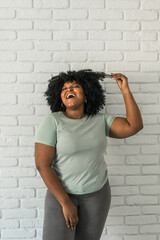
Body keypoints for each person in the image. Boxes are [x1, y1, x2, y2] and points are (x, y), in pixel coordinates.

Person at [34, 69, 143, 240]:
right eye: (64, 89)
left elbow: (133, 126)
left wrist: (125, 91)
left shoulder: (101, 120)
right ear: (60, 98)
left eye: (75, 86)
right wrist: (65, 202)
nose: (69, 90)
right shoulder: (53, 121)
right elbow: (43, 165)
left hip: (97, 195)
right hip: (61, 195)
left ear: (86, 95)